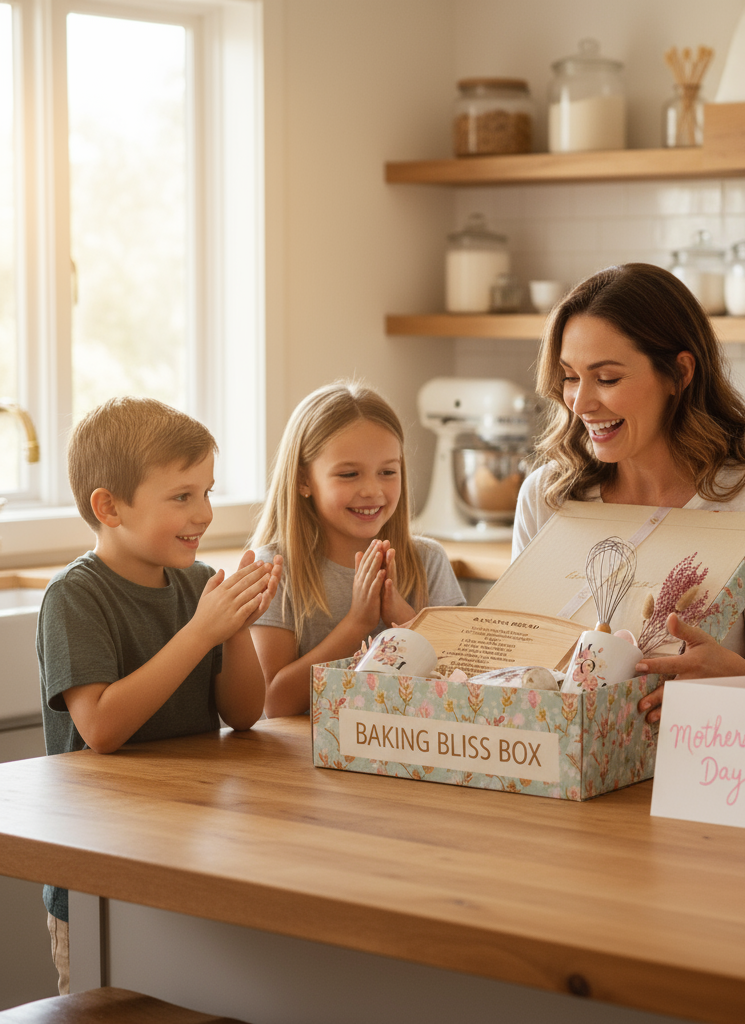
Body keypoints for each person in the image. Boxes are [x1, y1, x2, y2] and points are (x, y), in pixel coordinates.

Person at [36, 396, 281, 993]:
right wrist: (203, 630)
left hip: (184, 855)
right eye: (182, 496)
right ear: (108, 506)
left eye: (207, 492)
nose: (205, 513)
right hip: (99, 869)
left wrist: (238, 622)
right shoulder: (75, 597)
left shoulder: (196, 584)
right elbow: (101, 729)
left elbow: (246, 713)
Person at [512, 263, 745, 723]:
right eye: (570, 376)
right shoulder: (548, 497)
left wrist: (733, 678)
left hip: (705, 780)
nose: (580, 402)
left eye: (608, 378)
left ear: (679, 373)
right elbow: (514, 665)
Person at [251, 380, 465, 717]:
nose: (372, 490)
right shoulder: (274, 570)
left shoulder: (428, 561)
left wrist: (405, 621)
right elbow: (275, 703)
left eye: (387, 471)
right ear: (304, 480)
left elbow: (466, 683)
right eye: (349, 474)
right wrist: (357, 624)